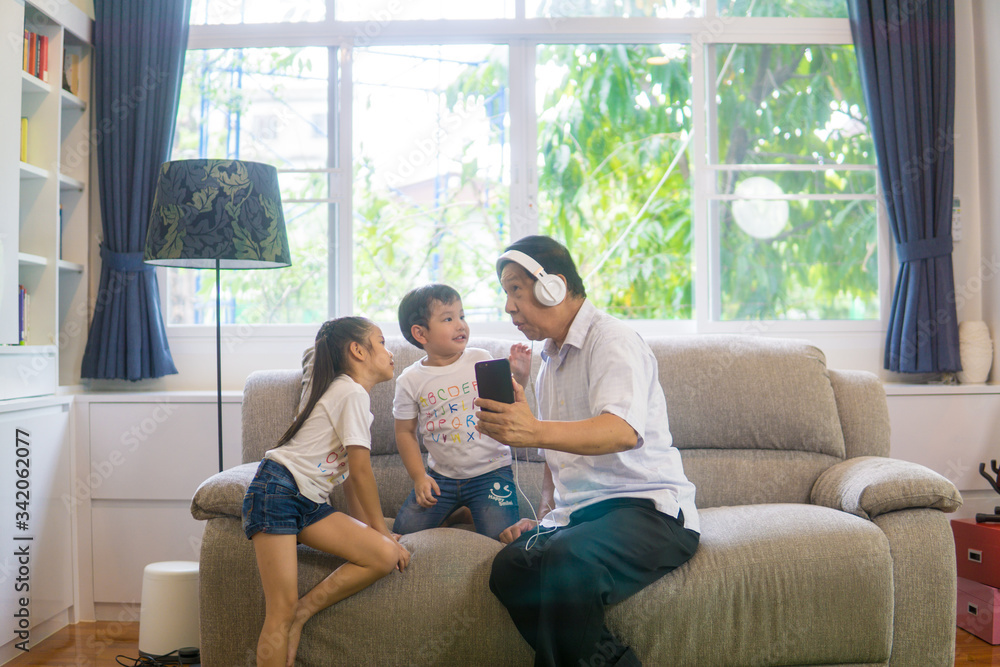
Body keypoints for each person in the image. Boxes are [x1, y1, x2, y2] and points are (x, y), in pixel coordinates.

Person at [476, 236, 700, 667]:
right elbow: (556, 448)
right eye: (505, 293)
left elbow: (620, 431)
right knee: (511, 568)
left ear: (553, 287)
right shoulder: (550, 361)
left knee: (567, 560)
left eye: (515, 290)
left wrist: (534, 429)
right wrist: (545, 514)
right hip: (582, 517)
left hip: (649, 512)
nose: (508, 307)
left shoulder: (612, 340)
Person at [242, 316, 410, 667]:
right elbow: (361, 473)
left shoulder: (353, 396)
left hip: (309, 501)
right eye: (382, 342)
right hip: (278, 491)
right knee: (279, 611)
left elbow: (348, 479)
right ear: (358, 350)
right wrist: (383, 530)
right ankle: (291, 615)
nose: (390, 351)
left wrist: (373, 534)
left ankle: (304, 612)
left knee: (382, 556)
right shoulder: (349, 391)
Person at [392, 283, 530, 539]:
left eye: (462, 316)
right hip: (441, 477)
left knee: (501, 537)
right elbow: (404, 432)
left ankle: (468, 510)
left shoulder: (481, 358)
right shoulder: (410, 380)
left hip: (491, 471)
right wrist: (419, 477)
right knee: (404, 532)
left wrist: (520, 376)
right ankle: (457, 512)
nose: (461, 325)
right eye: (448, 318)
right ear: (420, 333)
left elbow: (506, 406)